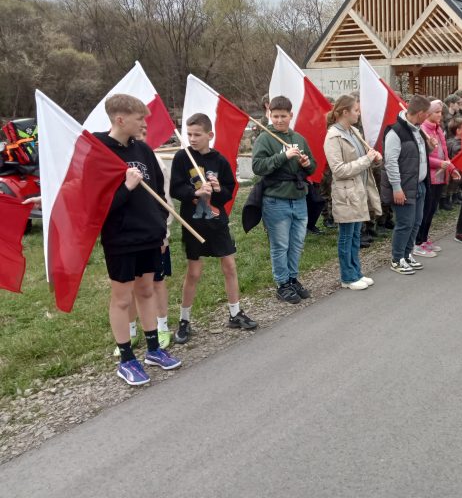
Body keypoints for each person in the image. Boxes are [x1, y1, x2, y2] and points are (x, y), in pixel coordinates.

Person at [94, 94, 180, 386]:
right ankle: (126, 359)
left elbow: (158, 194)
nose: (144, 123)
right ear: (120, 119)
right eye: (139, 118)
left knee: (146, 291)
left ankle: (154, 350)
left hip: (149, 236)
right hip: (120, 239)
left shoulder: (143, 150)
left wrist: (162, 230)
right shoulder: (99, 152)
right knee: (121, 298)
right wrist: (127, 187)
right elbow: (98, 205)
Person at [170, 113, 257, 344]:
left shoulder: (219, 160)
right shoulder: (182, 157)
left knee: (229, 266)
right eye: (189, 134)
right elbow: (175, 189)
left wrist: (218, 190)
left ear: (210, 135)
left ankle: (235, 312)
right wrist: (194, 193)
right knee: (194, 272)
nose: (192, 139)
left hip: (217, 222)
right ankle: (185, 320)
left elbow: (228, 192)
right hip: (193, 223)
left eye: (197, 134)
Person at [252, 96, 317, 302]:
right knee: (280, 245)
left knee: (297, 243)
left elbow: (313, 167)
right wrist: (284, 156)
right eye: (275, 116)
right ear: (269, 115)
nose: (279, 120)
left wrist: (306, 163)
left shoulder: (299, 138)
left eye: (283, 116)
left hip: (298, 198)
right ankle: (282, 284)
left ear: (291, 115)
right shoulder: (265, 138)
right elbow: (258, 166)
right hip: (276, 200)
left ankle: (292, 278)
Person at [322, 95, 382, 290]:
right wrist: (366, 160)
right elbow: (338, 170)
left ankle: (356, 272)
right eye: (356, 110)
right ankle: (347, 277)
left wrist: (374, 158)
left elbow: (364, 156)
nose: (359, 113)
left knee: (356, 234)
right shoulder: (333, 136)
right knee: (347, 236)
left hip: (359, 190)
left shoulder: (354, 131)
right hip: (346, 194)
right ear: (345, 112)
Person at [380, 95, 432, 275]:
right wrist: (396, 187)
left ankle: (407, 254)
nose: (428, 118)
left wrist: (429, 146)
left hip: (419, 184)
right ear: (419, 113)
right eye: (427, 114)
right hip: (403, 187)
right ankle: (397, 258)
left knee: (416, 222)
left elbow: (417, 156)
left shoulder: (417, 129)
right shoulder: (395, 132)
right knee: (405, 223)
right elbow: (391, 162)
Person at [415, 99, 459, 257]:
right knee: (425, 211)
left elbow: (445, 153)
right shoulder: (422, 130)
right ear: (428, 114)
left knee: (432, 210)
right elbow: (424, 157)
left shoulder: (438, 128)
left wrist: (451, 168)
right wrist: (441, 164)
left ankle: (424, 239)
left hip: (440, 176)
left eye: (441, 112)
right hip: (430, 177)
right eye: (437, 112)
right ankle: (417, 242)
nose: (440, 115)